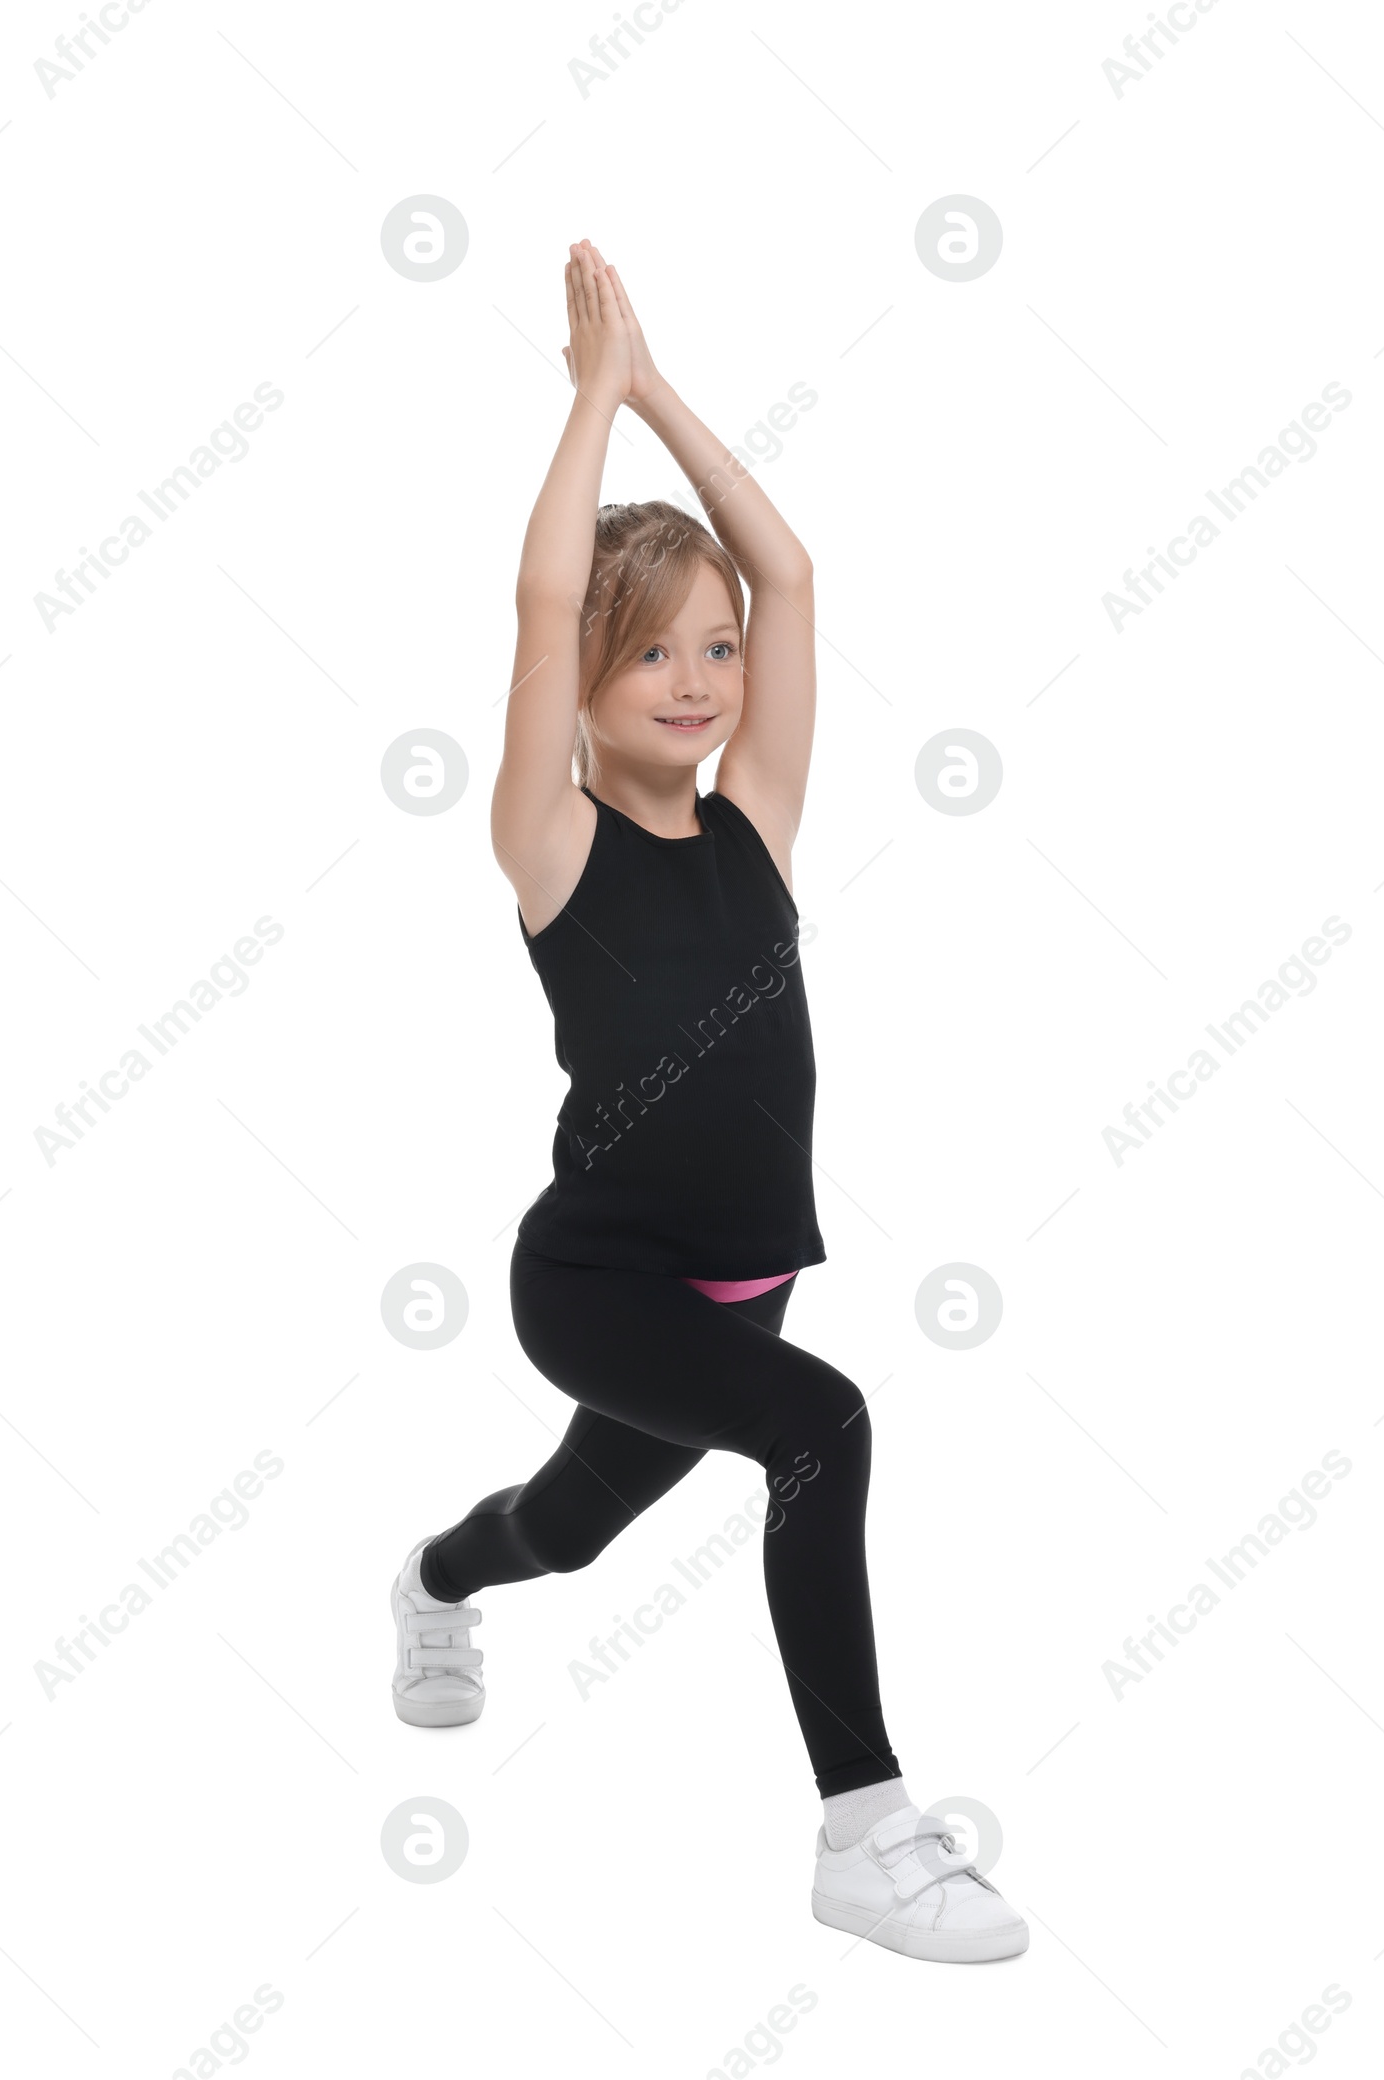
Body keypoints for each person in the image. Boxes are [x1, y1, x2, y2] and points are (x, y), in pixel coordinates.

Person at [389, 241, 1027, 1964]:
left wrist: (660, 384)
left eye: (715, 649)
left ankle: (436, 1580)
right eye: (654, 652)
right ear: (585, 684)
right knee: (822, 1428)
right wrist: (591, 405)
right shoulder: (554, 847)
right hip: (599, 1287)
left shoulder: (756, 818)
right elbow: (534, 609)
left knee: (564, 1531)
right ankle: (864, 1832)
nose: (700, 675)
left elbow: (796, 574)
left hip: (745, 1286)